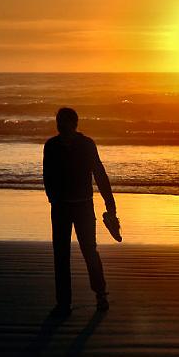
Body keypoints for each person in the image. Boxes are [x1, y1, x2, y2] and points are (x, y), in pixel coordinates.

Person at [43, 107, 117, 317]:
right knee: (61, 255)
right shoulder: (51, 146)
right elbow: (47, 175)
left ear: (74, 123)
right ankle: (63, 303)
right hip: (60, 207)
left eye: (64, 121)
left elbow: (100, 174)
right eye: (58, 121)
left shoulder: (86, 145)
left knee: (89, 251)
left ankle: (100, 294)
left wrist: (110, 203)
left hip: (84, 206)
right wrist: (52, 198)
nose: (60, 125)